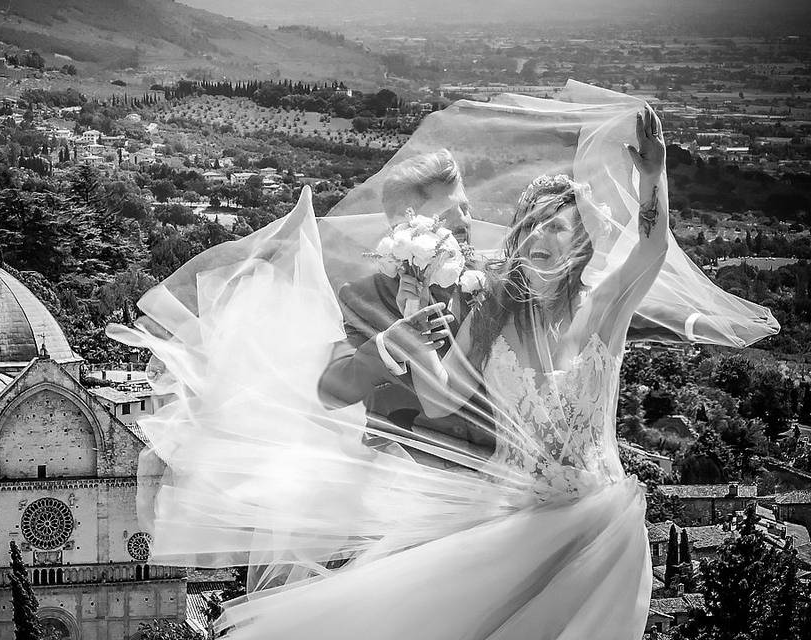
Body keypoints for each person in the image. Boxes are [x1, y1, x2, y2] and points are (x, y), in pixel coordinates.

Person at [108, 84, 777, 639]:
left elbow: (641, 262)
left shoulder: (558, 300)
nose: (472, 233)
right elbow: (413, 397)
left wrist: (657, 187)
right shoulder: (445, 309)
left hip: (584, 512)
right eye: (531, 229)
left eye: (560, 232)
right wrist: (403, 345)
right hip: (486, 507)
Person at [318, 149, 496, 463]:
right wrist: (387, 346)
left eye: (465, 207)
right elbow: (330, 392)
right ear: (406, 223)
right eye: (447, 213)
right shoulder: (364, 296)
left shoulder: (492, 279)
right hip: (403, 472)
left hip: (495, 468)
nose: (464, 220)